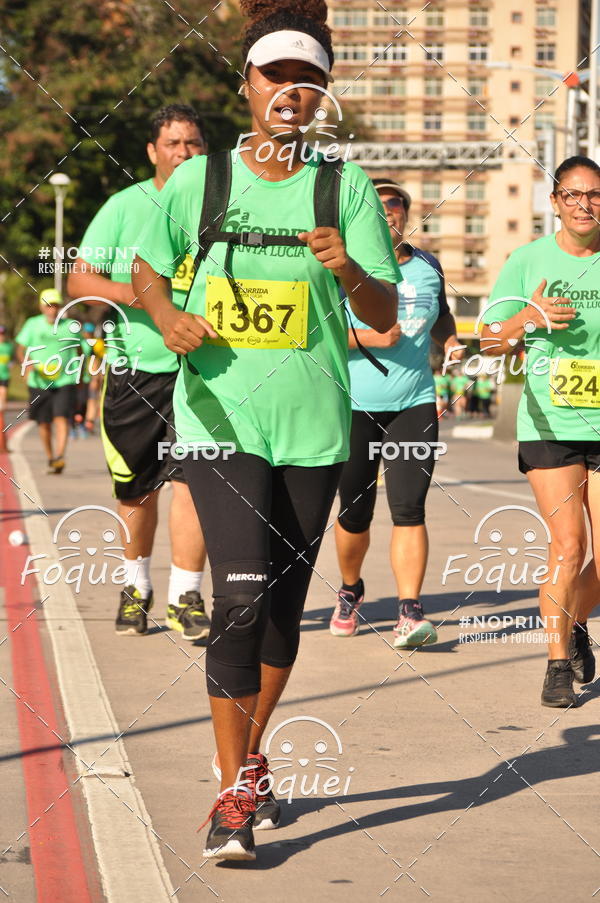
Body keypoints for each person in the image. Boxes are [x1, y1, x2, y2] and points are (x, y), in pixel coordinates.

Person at [132, 0, 399, 861]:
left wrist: (351, 268)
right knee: (239, 596)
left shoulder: (343, 183)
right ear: (245, 81)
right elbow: (145, 268)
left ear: (325, 92)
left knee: (281, 608)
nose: (291, 89)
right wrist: (168, 313)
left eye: (307, 78)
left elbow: (385, 312)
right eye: (276, 73)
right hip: (220, 417)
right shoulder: (200, 180)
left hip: (315, 426)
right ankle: (232, 797)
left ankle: (249, 760)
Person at [67, 104, 210, 642]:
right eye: (174, 143)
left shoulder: (218, 205)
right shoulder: (126, 206)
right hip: (135, 371)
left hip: (201, 370)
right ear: (153, 152)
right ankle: (135, 588)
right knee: (137, 493)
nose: (184, 152)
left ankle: (186, 595)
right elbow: (80, 280)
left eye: (193, 143)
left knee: (194, 483)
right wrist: (141, 298)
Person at [481, 155, 600, 708]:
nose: (585, 204)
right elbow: (487, 341)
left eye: (595, 194)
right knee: (568, 546)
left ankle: (574, 624)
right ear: (554, 203)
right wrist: (527, 317)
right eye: (573, 195)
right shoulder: (528, 260)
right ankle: (556, 663)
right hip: (550, 421)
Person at [331, 179, 463, 647]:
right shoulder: (343, 269)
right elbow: (311, 332)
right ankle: (350, 589)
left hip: (413, 402)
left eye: (396, 207)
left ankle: (410, 610)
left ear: (406, 216)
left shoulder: (428, 265)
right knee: (354, 512)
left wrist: (448, 341)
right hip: (353, 404)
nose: (388, 213)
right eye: (379, 206)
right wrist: (368, 338)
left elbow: (441, 314)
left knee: (409, 507)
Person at [15, 289, 81, 473]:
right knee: (44, 422)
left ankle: (60, 456)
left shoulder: (71, 326)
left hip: (65, 379)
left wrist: (81, 372)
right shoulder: (32, 324)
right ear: (41, 306)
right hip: (39, 381)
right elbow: (21, 349)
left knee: (61, 417)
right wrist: (27, 367)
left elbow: (80, 349)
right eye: (48, 306)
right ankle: (51, 456)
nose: (52, 310)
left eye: (56, 306)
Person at [0, 325, 14, 452]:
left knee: (1, 409)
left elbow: (11, 361)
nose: (1, 336)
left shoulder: (9, 346)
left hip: (4, 377)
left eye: (3, 334)